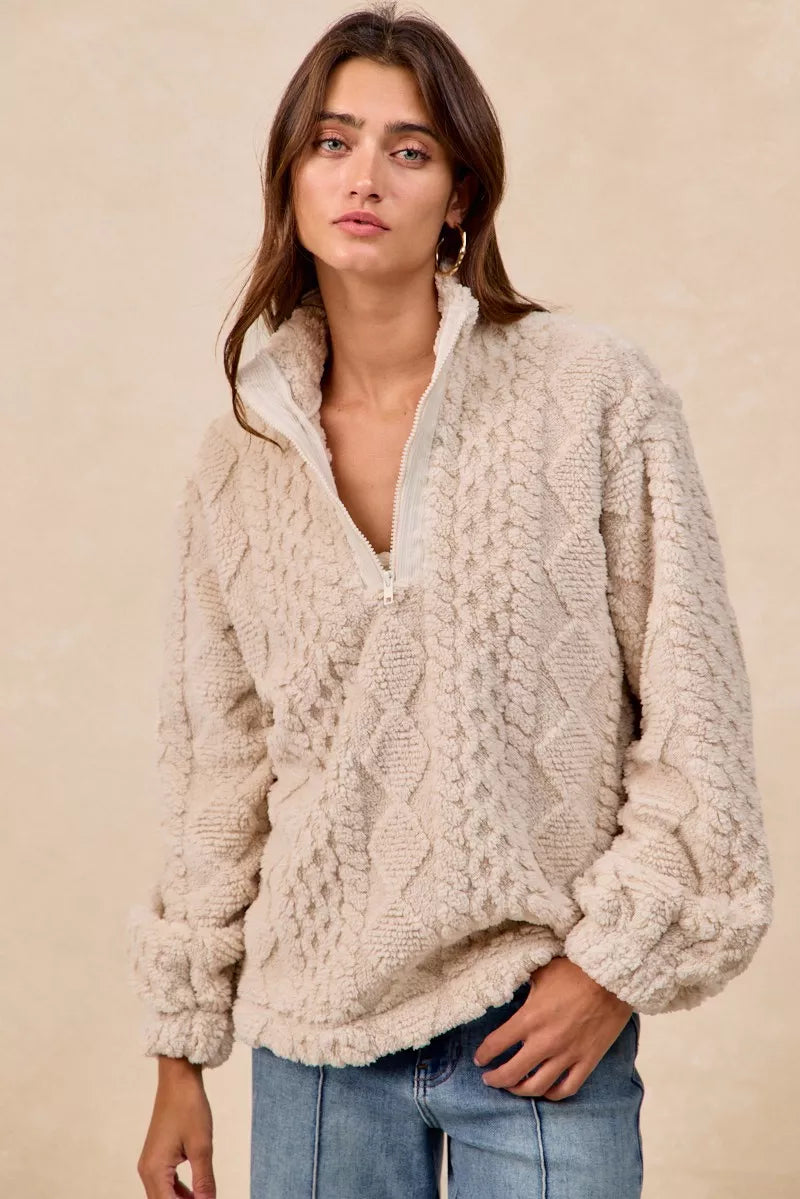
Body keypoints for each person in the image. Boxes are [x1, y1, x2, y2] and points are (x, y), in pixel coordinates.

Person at [126, 4, 775, 1198]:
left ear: (459, 192)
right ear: (290, 177)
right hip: (314, 1044)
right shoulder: (236, 459)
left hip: (535, 1025)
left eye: (409, 149)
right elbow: (219, 772)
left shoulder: (588, 392)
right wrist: (180, 1050)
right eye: (331, 142)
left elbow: (694, 712)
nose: (363, 175)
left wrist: (609, 965)